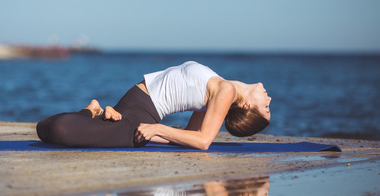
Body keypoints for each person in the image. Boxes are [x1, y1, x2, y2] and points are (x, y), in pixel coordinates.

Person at [36, 61, 271, 150]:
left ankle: (93, 111)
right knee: (55, 130)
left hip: (137, 112)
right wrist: (154, 129)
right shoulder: (221, 85)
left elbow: (200, 140)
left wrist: (152, 131)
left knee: (48, 129)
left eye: (266, 108)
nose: (269, 100)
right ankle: (93, 111)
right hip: (137, 106)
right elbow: (197, 138)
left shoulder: (226, 91)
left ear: (248, 105)